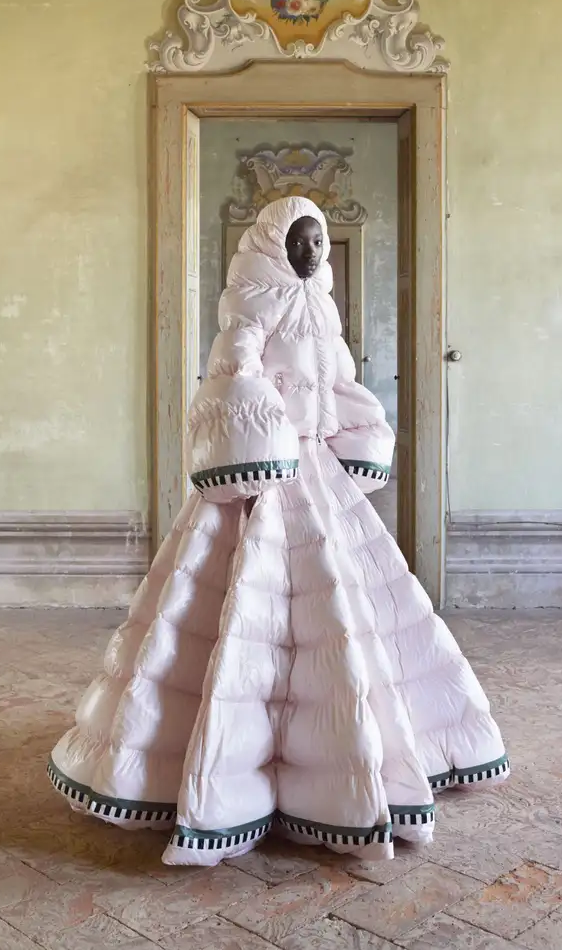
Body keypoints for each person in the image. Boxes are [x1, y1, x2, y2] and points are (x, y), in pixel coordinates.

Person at [48, 195, 509, 868]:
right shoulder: (249, 302)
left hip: (320, 473)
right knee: (239, 613)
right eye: (300, 240)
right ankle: (232, 771)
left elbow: (341, 379)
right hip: (265, 478)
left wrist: (358, 438)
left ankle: (349, 760)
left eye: (318, 240)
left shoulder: (321, 306)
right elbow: (232, 375)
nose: (311, 251)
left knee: (346, 612)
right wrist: (264, 451)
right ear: (273, 243)